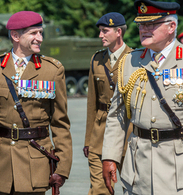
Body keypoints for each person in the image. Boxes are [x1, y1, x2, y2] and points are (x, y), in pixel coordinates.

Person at [101, 0, 183, 194]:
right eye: (141, 24)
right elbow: (117, 115)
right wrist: (110, 156)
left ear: (172, 27)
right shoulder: (129, 61)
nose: (144, 29)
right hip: (138, 171)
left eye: (151, 24)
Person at [0, 11, 72, 194]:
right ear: (15, 35)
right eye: (33, 33)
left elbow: (60, 124)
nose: (39, 38)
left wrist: (62, 168)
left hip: (34, 165)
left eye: (40, 33)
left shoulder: (52, 70)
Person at [83, 12, 133, 195]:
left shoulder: (135, 59)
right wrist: (88, 139)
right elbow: (92, 104)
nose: (100, 35)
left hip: (128, 132)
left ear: (118, 31)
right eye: (100, 31)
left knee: (132, 187)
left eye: (105, 31)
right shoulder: (96, 60)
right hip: (100, 135)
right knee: (99, 190)